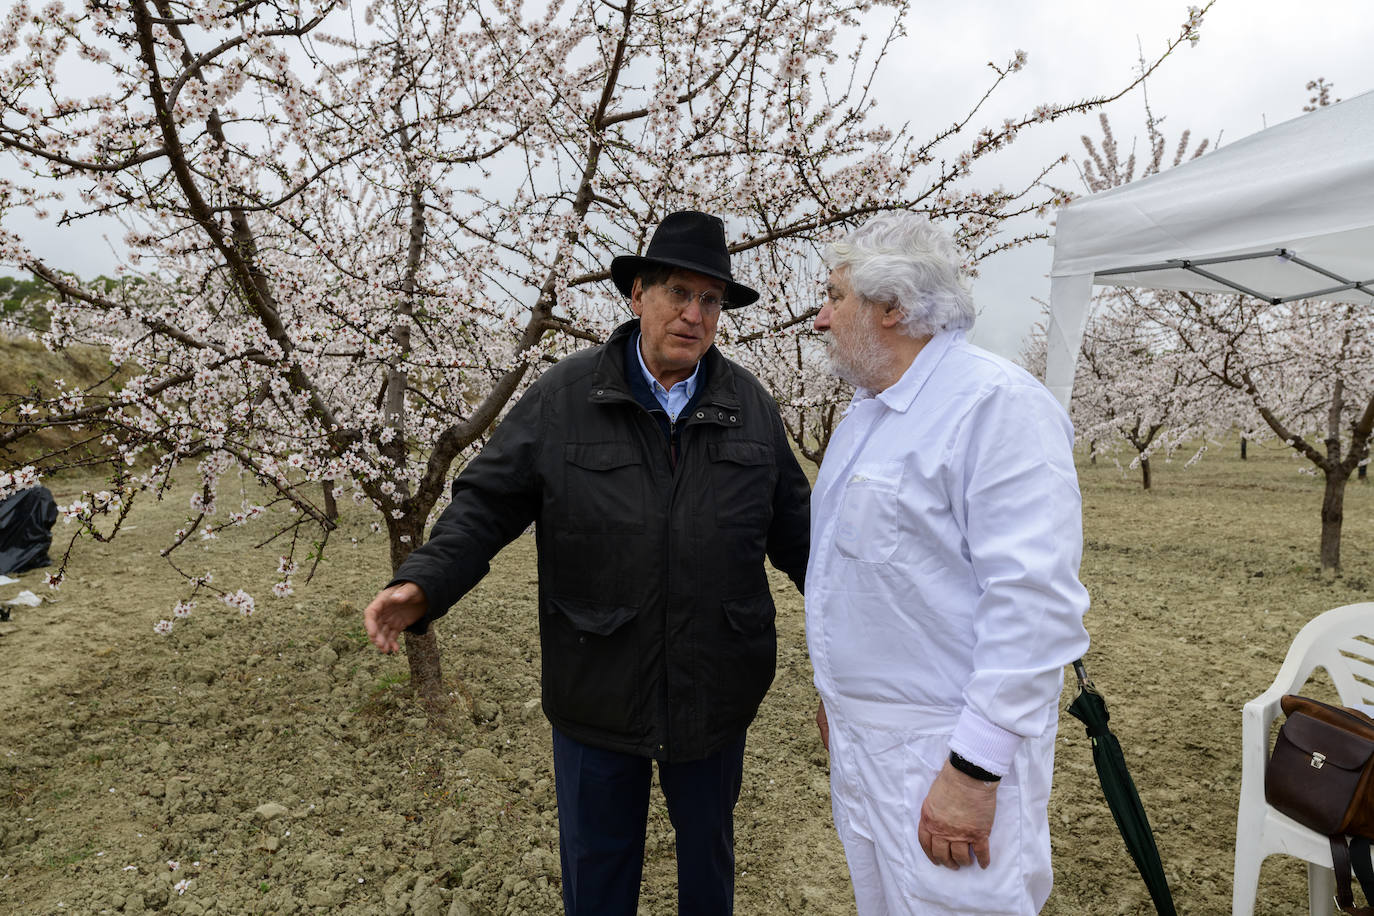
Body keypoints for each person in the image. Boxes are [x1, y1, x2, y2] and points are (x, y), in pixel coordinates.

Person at [362, 209, 810, 915]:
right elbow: (486, 503)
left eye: (710, 300)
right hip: (599, 683)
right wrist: (425, 581)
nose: (694, 315)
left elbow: (801, 536)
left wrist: (867, 647)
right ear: (637, 296)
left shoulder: (748, 407)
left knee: (708, 873)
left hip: (715, 688)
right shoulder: (566, 398)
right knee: (597, 879)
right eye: (678, 294)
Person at [805, 211, 1090, 915]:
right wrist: (835, 693)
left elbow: (1032, 604)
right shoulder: (865, 419)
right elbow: (863, 577)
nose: (820, 319)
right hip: (864, 749)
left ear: (893, 307)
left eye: (835, 296)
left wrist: (974, 770)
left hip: (942, 752)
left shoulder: (996, 406)